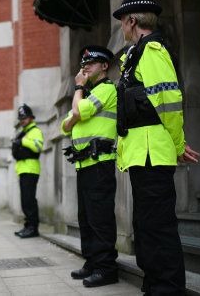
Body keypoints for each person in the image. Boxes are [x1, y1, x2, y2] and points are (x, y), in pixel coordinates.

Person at [113, 0, 200, 295]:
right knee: (147, 228)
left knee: (158, 229)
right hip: (143, 155)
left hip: (153, 154)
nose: (121, 28)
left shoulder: (152, 51)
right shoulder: (136, 54)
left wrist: (178, 145)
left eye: (122, 22)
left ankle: (167, 289)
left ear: (132, 21)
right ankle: (154, 285)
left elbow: (169, 103)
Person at [61, 46, 119, 287]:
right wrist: (77, 113)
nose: (85, 67)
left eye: (91, 63)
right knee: (85, 217)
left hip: (100, 164)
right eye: (84, 64)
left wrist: (77, 90)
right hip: (84, 164)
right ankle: (92, 262)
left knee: (100, 218)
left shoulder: (107, 89)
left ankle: (106, 268)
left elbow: (76, 111)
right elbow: (65, 125)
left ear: (104, 66)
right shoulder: (88, 94)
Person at [11, 104, 44, 238]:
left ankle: (33, 228)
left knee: (29, 200)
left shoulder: (34, 131)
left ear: (31, 118)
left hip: (30, 169)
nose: (22, 120)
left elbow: (38, 147)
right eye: (21, 118)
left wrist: (23, 142)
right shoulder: (24, 132)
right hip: (23, 169)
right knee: (25, 200)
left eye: (24, 118)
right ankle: (28, 226)